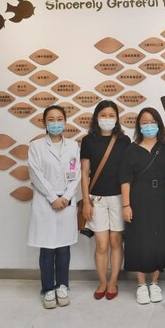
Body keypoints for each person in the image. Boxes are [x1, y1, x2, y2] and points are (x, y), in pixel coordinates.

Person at [120, 107, 165, 304]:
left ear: (159, 125)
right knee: (139, 239)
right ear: (139, 126)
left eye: (152, 122)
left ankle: (154, 283)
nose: (149, 126)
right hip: (138, 198)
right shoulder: (131, 149)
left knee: (160, 239)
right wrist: (126, 205)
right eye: (144, 122)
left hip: (162, 197)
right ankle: (140, 284)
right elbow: (125, 180)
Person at [27, 105, 80, 309]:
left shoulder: (73, 146)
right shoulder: (36, 146)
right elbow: (36, 174)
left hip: (66, 202)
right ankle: (48, 289)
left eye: (59, 119)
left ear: (65, 121)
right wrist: (52, 198)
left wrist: (65, 197)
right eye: (51, 119)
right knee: (47, 248)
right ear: (44, 122)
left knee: (64, 247)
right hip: (45, 202)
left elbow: (76, 175)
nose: (56, 123)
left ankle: (62, 286)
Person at [80, 100, 130, 301]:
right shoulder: (88, 141)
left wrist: (127, 202)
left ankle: (113, 282)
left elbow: (127, 173)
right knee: (101, 244)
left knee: (115, 241)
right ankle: (102, 281)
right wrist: (86, 201)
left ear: (117, 118)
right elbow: (84, 173)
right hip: (96, 199)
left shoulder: (124, 141)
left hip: (118, 198)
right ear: (96, 117)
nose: (107, 119)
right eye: (103, 115)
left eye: (111, 115)